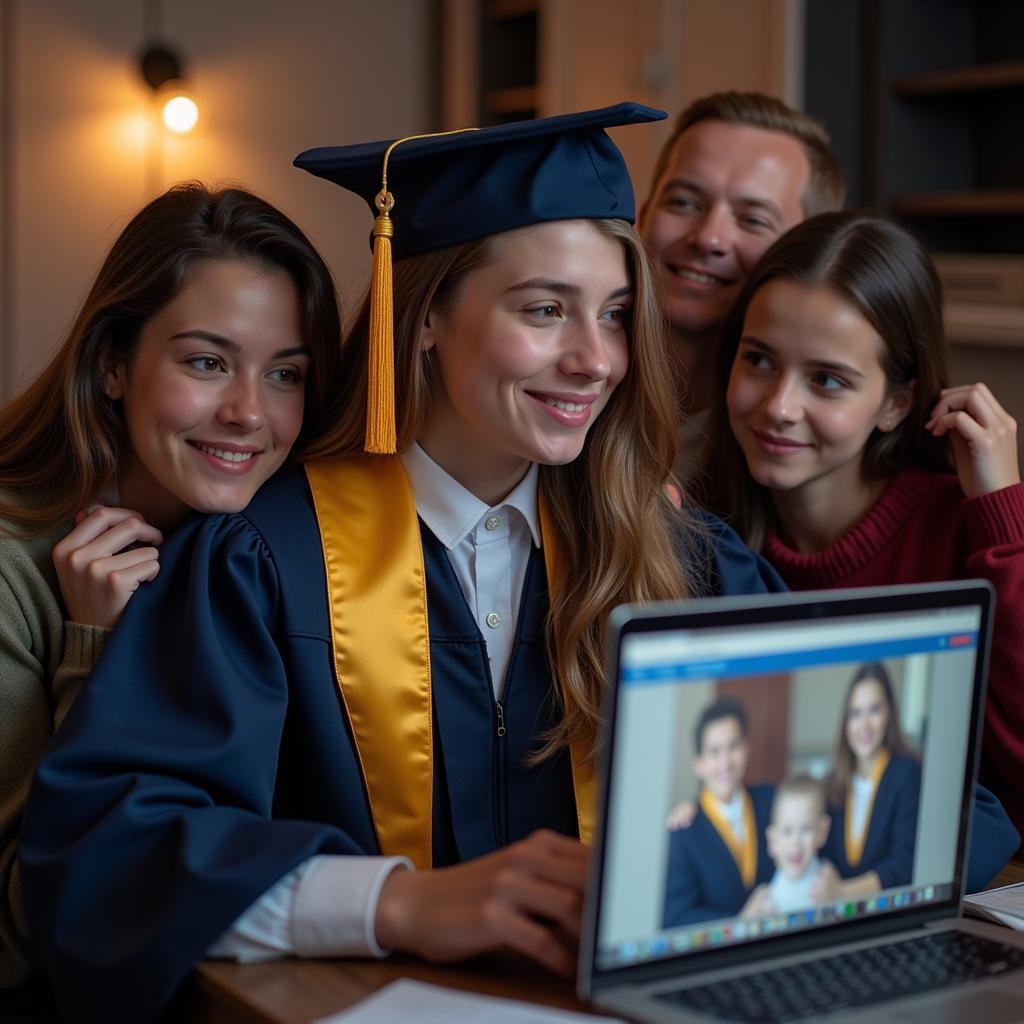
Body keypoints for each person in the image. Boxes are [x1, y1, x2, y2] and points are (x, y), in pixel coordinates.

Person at [19, 104, 786, 1023]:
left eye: (617, 315)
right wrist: (393, 900)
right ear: (424, 320)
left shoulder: (671, 553)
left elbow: (908, 788)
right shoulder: (264, 558)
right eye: (544, 309)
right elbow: (109, 857)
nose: (595, 360)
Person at [0, 182, 342, 994]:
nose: (249, 413)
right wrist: (98, 658)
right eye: (206, 362)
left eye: (285, 374)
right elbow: (19, 944)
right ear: (114, 364)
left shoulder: (265, 559)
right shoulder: (14, 568)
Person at [698, 210, 1023, 869]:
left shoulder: (968, 528)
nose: (779, 406)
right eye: (759, 360)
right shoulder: (702, 531)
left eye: (827, 380)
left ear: (898, 403)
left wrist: (1005, 517)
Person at [637, 91, 845, 473]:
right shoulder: (569, 381)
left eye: (753, 220)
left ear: (809, 251)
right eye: (683, 203)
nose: (709, 238)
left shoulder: (802, 437)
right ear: (644, 216)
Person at [662, 697, 774, 927]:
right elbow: (675, 918)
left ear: (746, 748)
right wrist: (739, 921)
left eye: (733, 746)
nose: (726, 762)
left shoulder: (773, 802)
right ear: (698, 764)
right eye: (714, 752)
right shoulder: (683, 831)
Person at [818, 664, 919, 896]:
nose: (864, 725)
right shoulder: (832, 783)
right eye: (855, 713)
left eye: (874, 710)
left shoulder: (908, 773)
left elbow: (904, 864)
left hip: (888, 913)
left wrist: (843, 892)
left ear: (889, 713)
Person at [742, 775, 831, 918]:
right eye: (787, 831)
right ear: (772, 841)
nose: (795, 843)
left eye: (806, 829)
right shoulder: (764, 902)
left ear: (822, 832)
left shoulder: (829, 889)